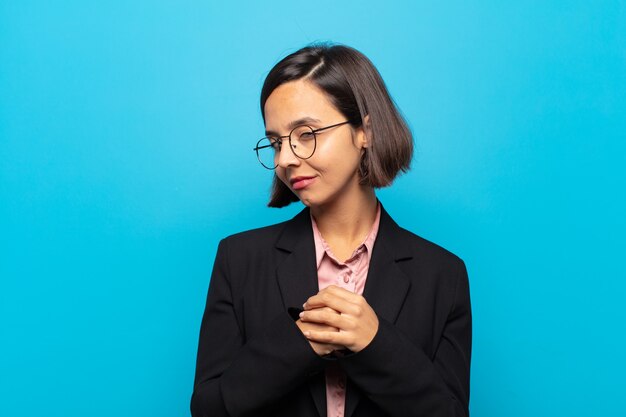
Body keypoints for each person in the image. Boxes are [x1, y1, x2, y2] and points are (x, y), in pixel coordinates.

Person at [190, 43, 472, 417]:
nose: (285, 159)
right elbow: (209, 410)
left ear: (364, 132)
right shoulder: (239, 259)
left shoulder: (443, 274)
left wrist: (375, 342)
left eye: (305, 134)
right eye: (276, 142)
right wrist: (302, 339)